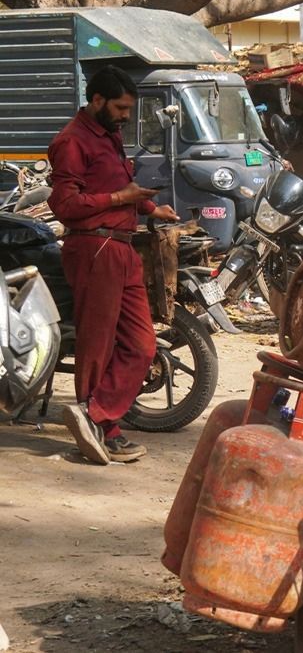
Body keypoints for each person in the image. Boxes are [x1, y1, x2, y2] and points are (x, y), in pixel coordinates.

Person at [47, 66, 180, 464]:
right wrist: (122, 199)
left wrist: (151, 208)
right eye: (120, 108)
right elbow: (65, 205)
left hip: (121, 246)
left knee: (142, 345)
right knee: (97, 344)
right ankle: (104, 429)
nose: (125, 116)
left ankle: (94, 414)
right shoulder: (71, 141)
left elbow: (117, 187)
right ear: (97, 100)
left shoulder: (110, 135)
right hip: (94, 247)